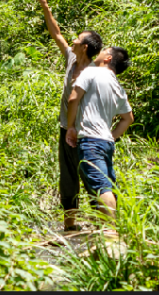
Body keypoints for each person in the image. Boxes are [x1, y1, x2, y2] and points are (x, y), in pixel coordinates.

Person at [33, 0, 103, 231]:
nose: (72, 40)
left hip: (86, 133)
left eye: (78, 39)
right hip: (66, 130)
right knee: (68, 179)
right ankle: (70, 227)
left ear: (85, 47)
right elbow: (57, 33)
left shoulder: (95, 73)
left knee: (91, 176)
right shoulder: (72, 59)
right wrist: (45, 6)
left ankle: (103, 228)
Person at [65, 46, 134, 223]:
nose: (99, 52)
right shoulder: (117, 85)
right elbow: (128, 118)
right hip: (106, 143)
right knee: (109, 185)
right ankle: (111, 231)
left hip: (90, 141)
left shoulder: (91, 73)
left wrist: (71, 126)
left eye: (103, 50)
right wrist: (112, 136)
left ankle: (110, 235)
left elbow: (73, 98)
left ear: (108, 58)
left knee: (102, 188)